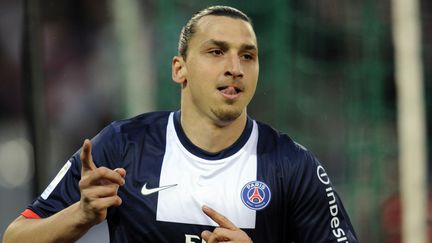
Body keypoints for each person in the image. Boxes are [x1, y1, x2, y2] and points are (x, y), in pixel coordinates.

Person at [3, 5, 358, 243]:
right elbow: (16, 236)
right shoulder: (123, 145)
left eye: (247, 55)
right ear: (179, 69)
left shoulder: (292, 165)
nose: (235, 67)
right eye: (216, 52)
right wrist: (79, 215)